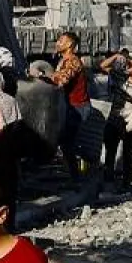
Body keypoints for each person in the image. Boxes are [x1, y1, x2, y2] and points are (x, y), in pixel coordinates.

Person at [102, 52, 132, 190]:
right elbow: (103, 65)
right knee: (110, 153)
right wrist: (117, 56)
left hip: (131, 121)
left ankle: (126, 184)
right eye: (128, 63)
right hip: (114, 118)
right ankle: (108, 183)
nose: (128, 66)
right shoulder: (120, 77)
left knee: (128, 155)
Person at [50, 31, 90, 178]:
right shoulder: (63, 61)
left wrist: (46, 77)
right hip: (70, 106)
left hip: (77, 107)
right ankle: (73, 173)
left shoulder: (73, 61)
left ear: (70, 45)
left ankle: (77, 175)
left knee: (67, 142)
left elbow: (62, 81)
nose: (57, 43)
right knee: (65, 142)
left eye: (61, 40)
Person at [0, 69, 22, 227]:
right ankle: (9, 223)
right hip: (9, 147)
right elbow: (17, 125)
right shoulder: (11, 100)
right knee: (10, 187)